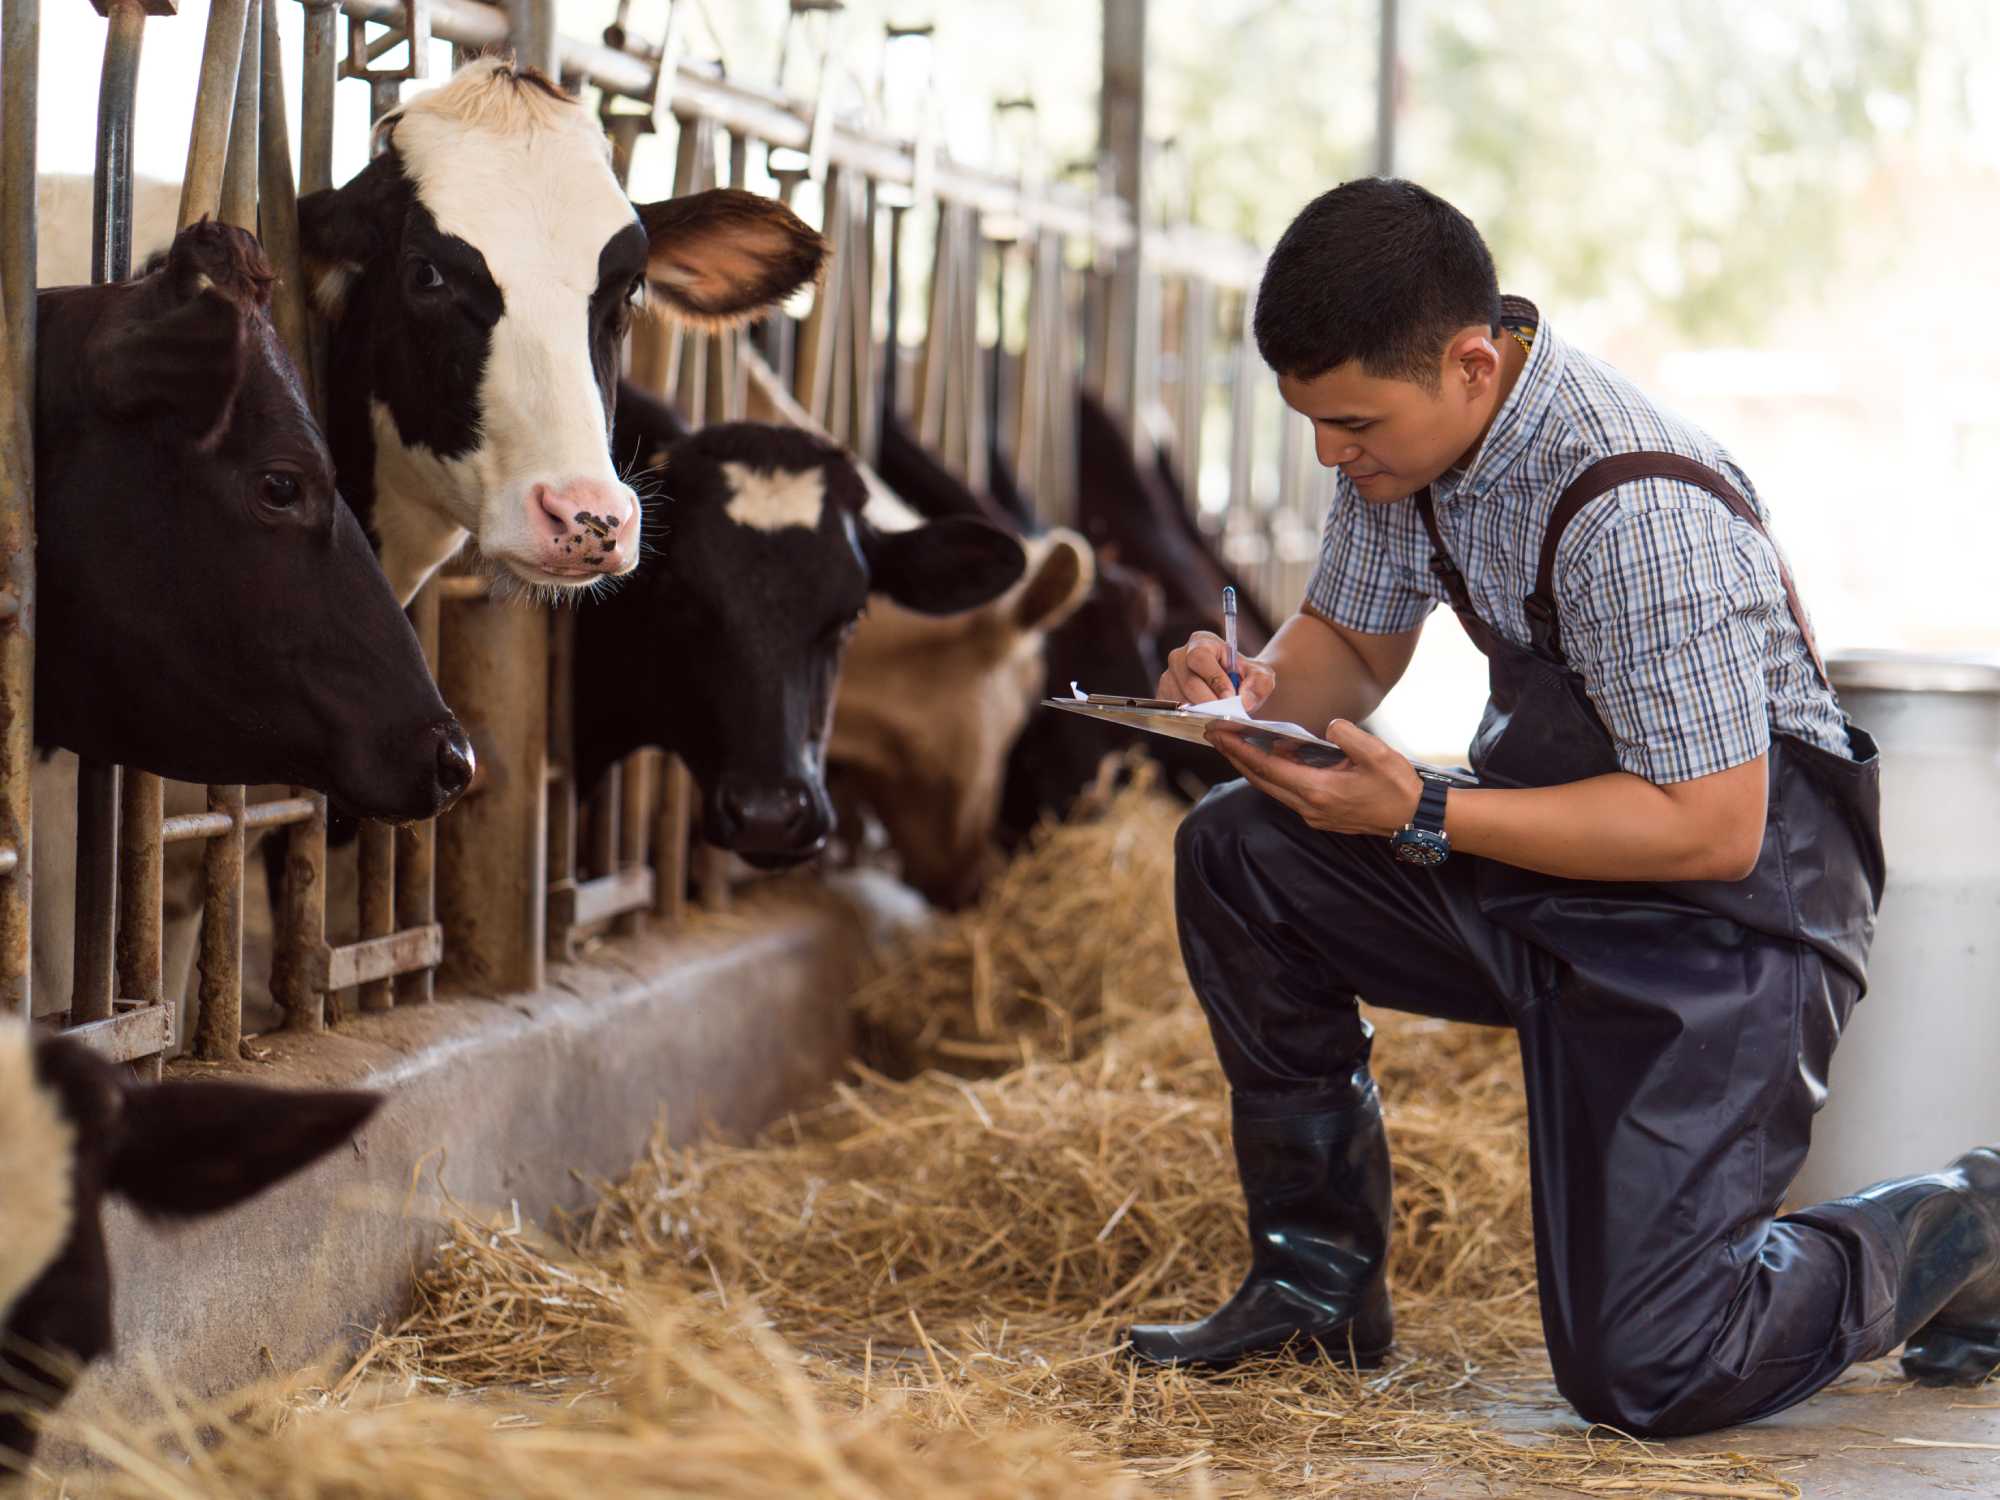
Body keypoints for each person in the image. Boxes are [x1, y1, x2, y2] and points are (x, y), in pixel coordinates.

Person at [1130, 177, 2000, 1437]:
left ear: (1471, 363)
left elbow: (1709, 825)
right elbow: (1353, 650)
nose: (1331, 452)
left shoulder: (1632, 505)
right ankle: (1312, 1291)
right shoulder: (1408, 455)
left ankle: (1966, 1224)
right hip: (1557, 868)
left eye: (1352, 421)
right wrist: (1242, 697)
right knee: (1239, 851)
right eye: (1312, 421)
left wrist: (1418, 807)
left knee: (1651, 1372)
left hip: (1724, 926)